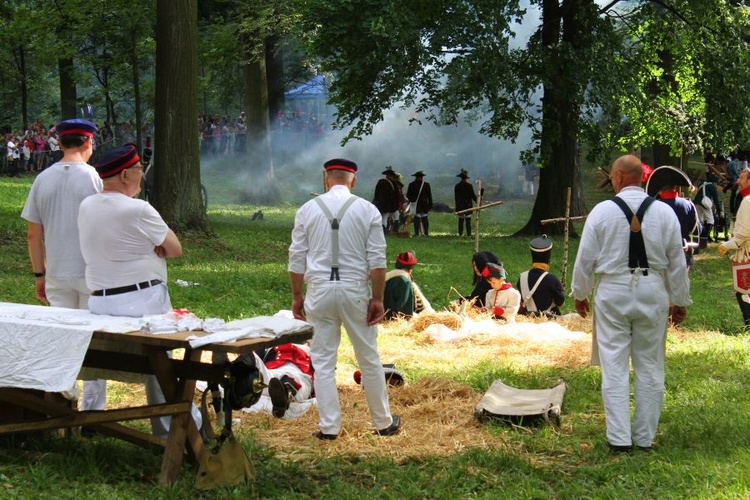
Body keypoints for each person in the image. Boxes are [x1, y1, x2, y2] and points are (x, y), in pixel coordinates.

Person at [77, 144, 200, 438]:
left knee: (97, 363)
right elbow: (175, 249)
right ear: (123, 175)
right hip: (141, 302)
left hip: (100, 303)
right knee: (162, 367)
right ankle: (169, 431)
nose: (142, 176)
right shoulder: (139, 209)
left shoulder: (86, 205)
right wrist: (153, 247)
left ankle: (91, 416)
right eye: (138, 171)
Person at [571, 154, 691, 453]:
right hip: (652, 290)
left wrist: (580, 293)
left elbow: (585, 258)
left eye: (613, 174)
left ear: (621, 176)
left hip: (613, 290)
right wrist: (679, 300)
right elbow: (677, 261)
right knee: (650, 365)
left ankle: (620, 438)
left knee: (614, 366)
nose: (611, 179)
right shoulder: (665, 214)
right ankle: (644, 437)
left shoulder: (601, 212)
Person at [288, 158, 401, 440]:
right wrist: (378, 298)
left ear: (326, 179)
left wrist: (297, 296)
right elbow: (377, 260)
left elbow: (296, 257)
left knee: (323, 361)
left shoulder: (307, 210)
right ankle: (382, 422)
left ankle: (329, 427)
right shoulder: (367, 210)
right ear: (354, 181)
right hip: (354, 289)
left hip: (320, 290)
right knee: (368, 358)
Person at [20, 119, 103, 409]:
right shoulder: (94, 178)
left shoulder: (43, 178)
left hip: (57, 271)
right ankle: (93, 412)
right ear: (87, 143)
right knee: (92, 342)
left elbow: (34, 233)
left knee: (63, 339)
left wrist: (39, 274)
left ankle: (63, 399)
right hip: (91, 272)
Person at [646, 166, 700, 265]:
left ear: (659, 190)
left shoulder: (652, 207)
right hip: (682, 253)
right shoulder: (688, 204)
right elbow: (696, 230)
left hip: (659, 255)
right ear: (674, 187)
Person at [718, 169, 750, 325]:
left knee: (744, 291)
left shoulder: (748, 201)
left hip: (746, 253)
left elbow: (745, 231)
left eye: (742, 178)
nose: (738, 181)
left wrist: (728, 245)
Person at [255, 343, 314, 419]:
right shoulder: (268, 344)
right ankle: (284, 393)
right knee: (251, 359)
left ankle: (285, 392)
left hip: (301, 376)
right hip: (272, 374)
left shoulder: (311, 349)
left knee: (292, 381)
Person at [516, 235, 565, 317]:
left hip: (527, 319)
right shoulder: (552, 279)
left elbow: (521, 301)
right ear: (548, 260)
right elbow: (560, 303)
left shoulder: (522, 278)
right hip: (548, 320)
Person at [383, 251, 434, 320]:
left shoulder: (386, 279)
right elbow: (405, 313)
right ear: (411, 269)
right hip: (395, 320)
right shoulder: (406, 283)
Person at [693, 173, 723, 248]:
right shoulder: (712, 186)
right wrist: (719, 209)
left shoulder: (702, 184)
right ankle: (706, 236)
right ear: (714, 182)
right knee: (710, 220)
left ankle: (700, 236)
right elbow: (716, 199)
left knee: (699, 220)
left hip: (696, 203)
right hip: (705, 203)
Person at [372, 166, 401, 235]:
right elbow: (397, 195)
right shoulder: (394, 183)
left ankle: (384, 232)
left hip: (382, 204)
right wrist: (397, 204)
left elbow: (376, 193)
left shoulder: (381, 182)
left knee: (384, 218)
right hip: (391, 204)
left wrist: (377, 201)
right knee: (388, 217)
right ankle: (392, 229)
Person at [406, 170, 433, 236]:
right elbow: (429, 196)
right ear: (422, 177)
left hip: (415, 205)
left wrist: (412, 201)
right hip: (424, 204)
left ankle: (416, 233)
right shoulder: (426, 185)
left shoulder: (411, 184)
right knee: (425, 218)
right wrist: (430, 205)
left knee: (417, 218)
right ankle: (426, 233)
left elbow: (408, 195)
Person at [454, 168, 477, 237]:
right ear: (466, 178)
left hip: (460, 205)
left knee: (461, 221)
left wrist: (457, 206)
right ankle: (468, 234)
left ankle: (460, 234)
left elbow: (456, 198)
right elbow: (473, 196)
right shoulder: (469, 186)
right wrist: (478, 202)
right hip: (468, 205)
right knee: (468, 221)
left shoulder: (457, 186)